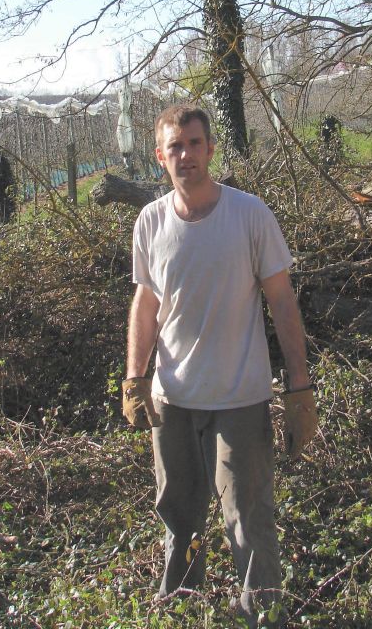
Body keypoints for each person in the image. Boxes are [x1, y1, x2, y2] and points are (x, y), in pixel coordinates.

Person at [122, 104, 317, 628]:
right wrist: (135, 377)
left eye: (194, 143)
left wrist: (300, 388)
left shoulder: (250, 215)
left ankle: (265, 616)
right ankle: (181, 607)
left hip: (239, 399)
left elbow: (282, 302)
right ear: (160, 157)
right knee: (180, 516)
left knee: (249, 522)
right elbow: (146, 302)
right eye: (175, 146)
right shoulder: (151, 221)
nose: (186, 154)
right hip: (172, 401)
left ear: (210, 148)